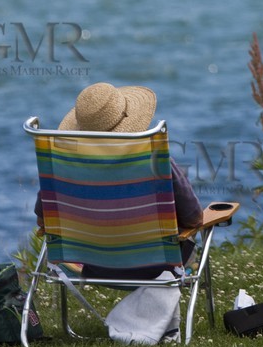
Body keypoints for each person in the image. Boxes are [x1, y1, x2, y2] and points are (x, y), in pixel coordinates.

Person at [51, 81, 203, 279]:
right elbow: (194, 216)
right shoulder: (155, 160)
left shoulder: (64, 167)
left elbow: (44, 217)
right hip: (157, 267)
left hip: (91, 266)